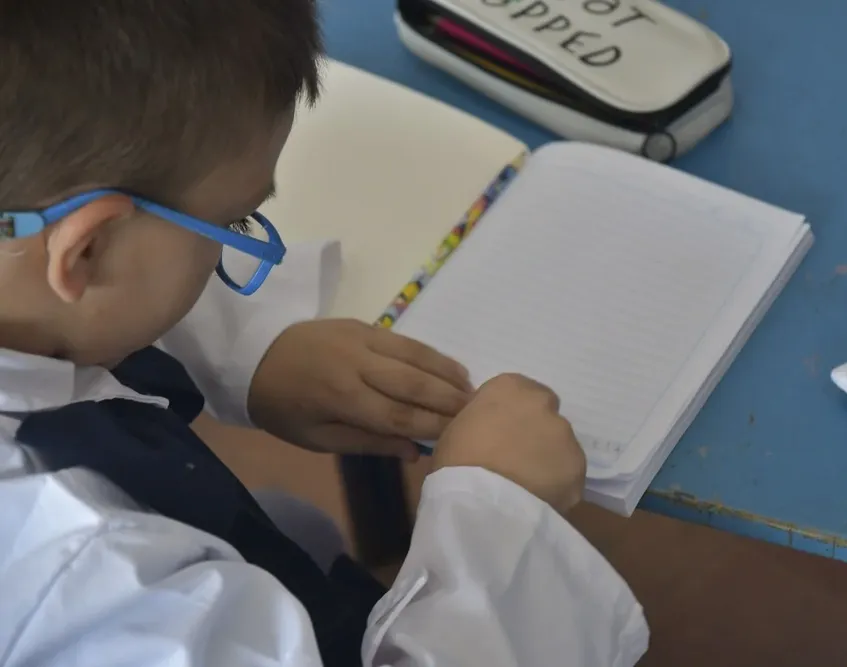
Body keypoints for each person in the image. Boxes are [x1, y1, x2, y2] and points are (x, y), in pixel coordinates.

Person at [0, 2, 649, 666]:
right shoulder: (93, 579)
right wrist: (501, 525)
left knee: (298, 527)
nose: (237, 236)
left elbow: (84, 275)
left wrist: (246, 351)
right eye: (235, 222)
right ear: (85, 252)